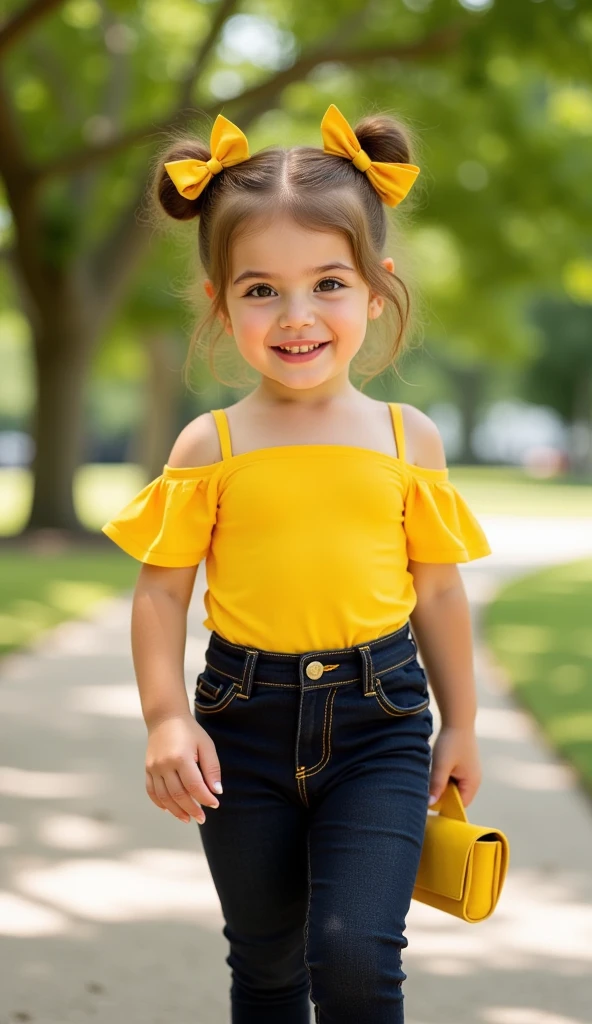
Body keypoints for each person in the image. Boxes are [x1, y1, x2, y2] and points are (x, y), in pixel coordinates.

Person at [101, 103, 492, 1024]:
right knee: (269, 967)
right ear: (219, 302)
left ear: (376, 287)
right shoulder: (211, 444)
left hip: (381, 723)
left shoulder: (409, 439)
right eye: (262, 290)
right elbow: (161, 598)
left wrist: (462, 723)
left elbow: (437, 589)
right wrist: (165, 720)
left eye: (328, 283)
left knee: (356, 955)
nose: (298, 316)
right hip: (242, 726)